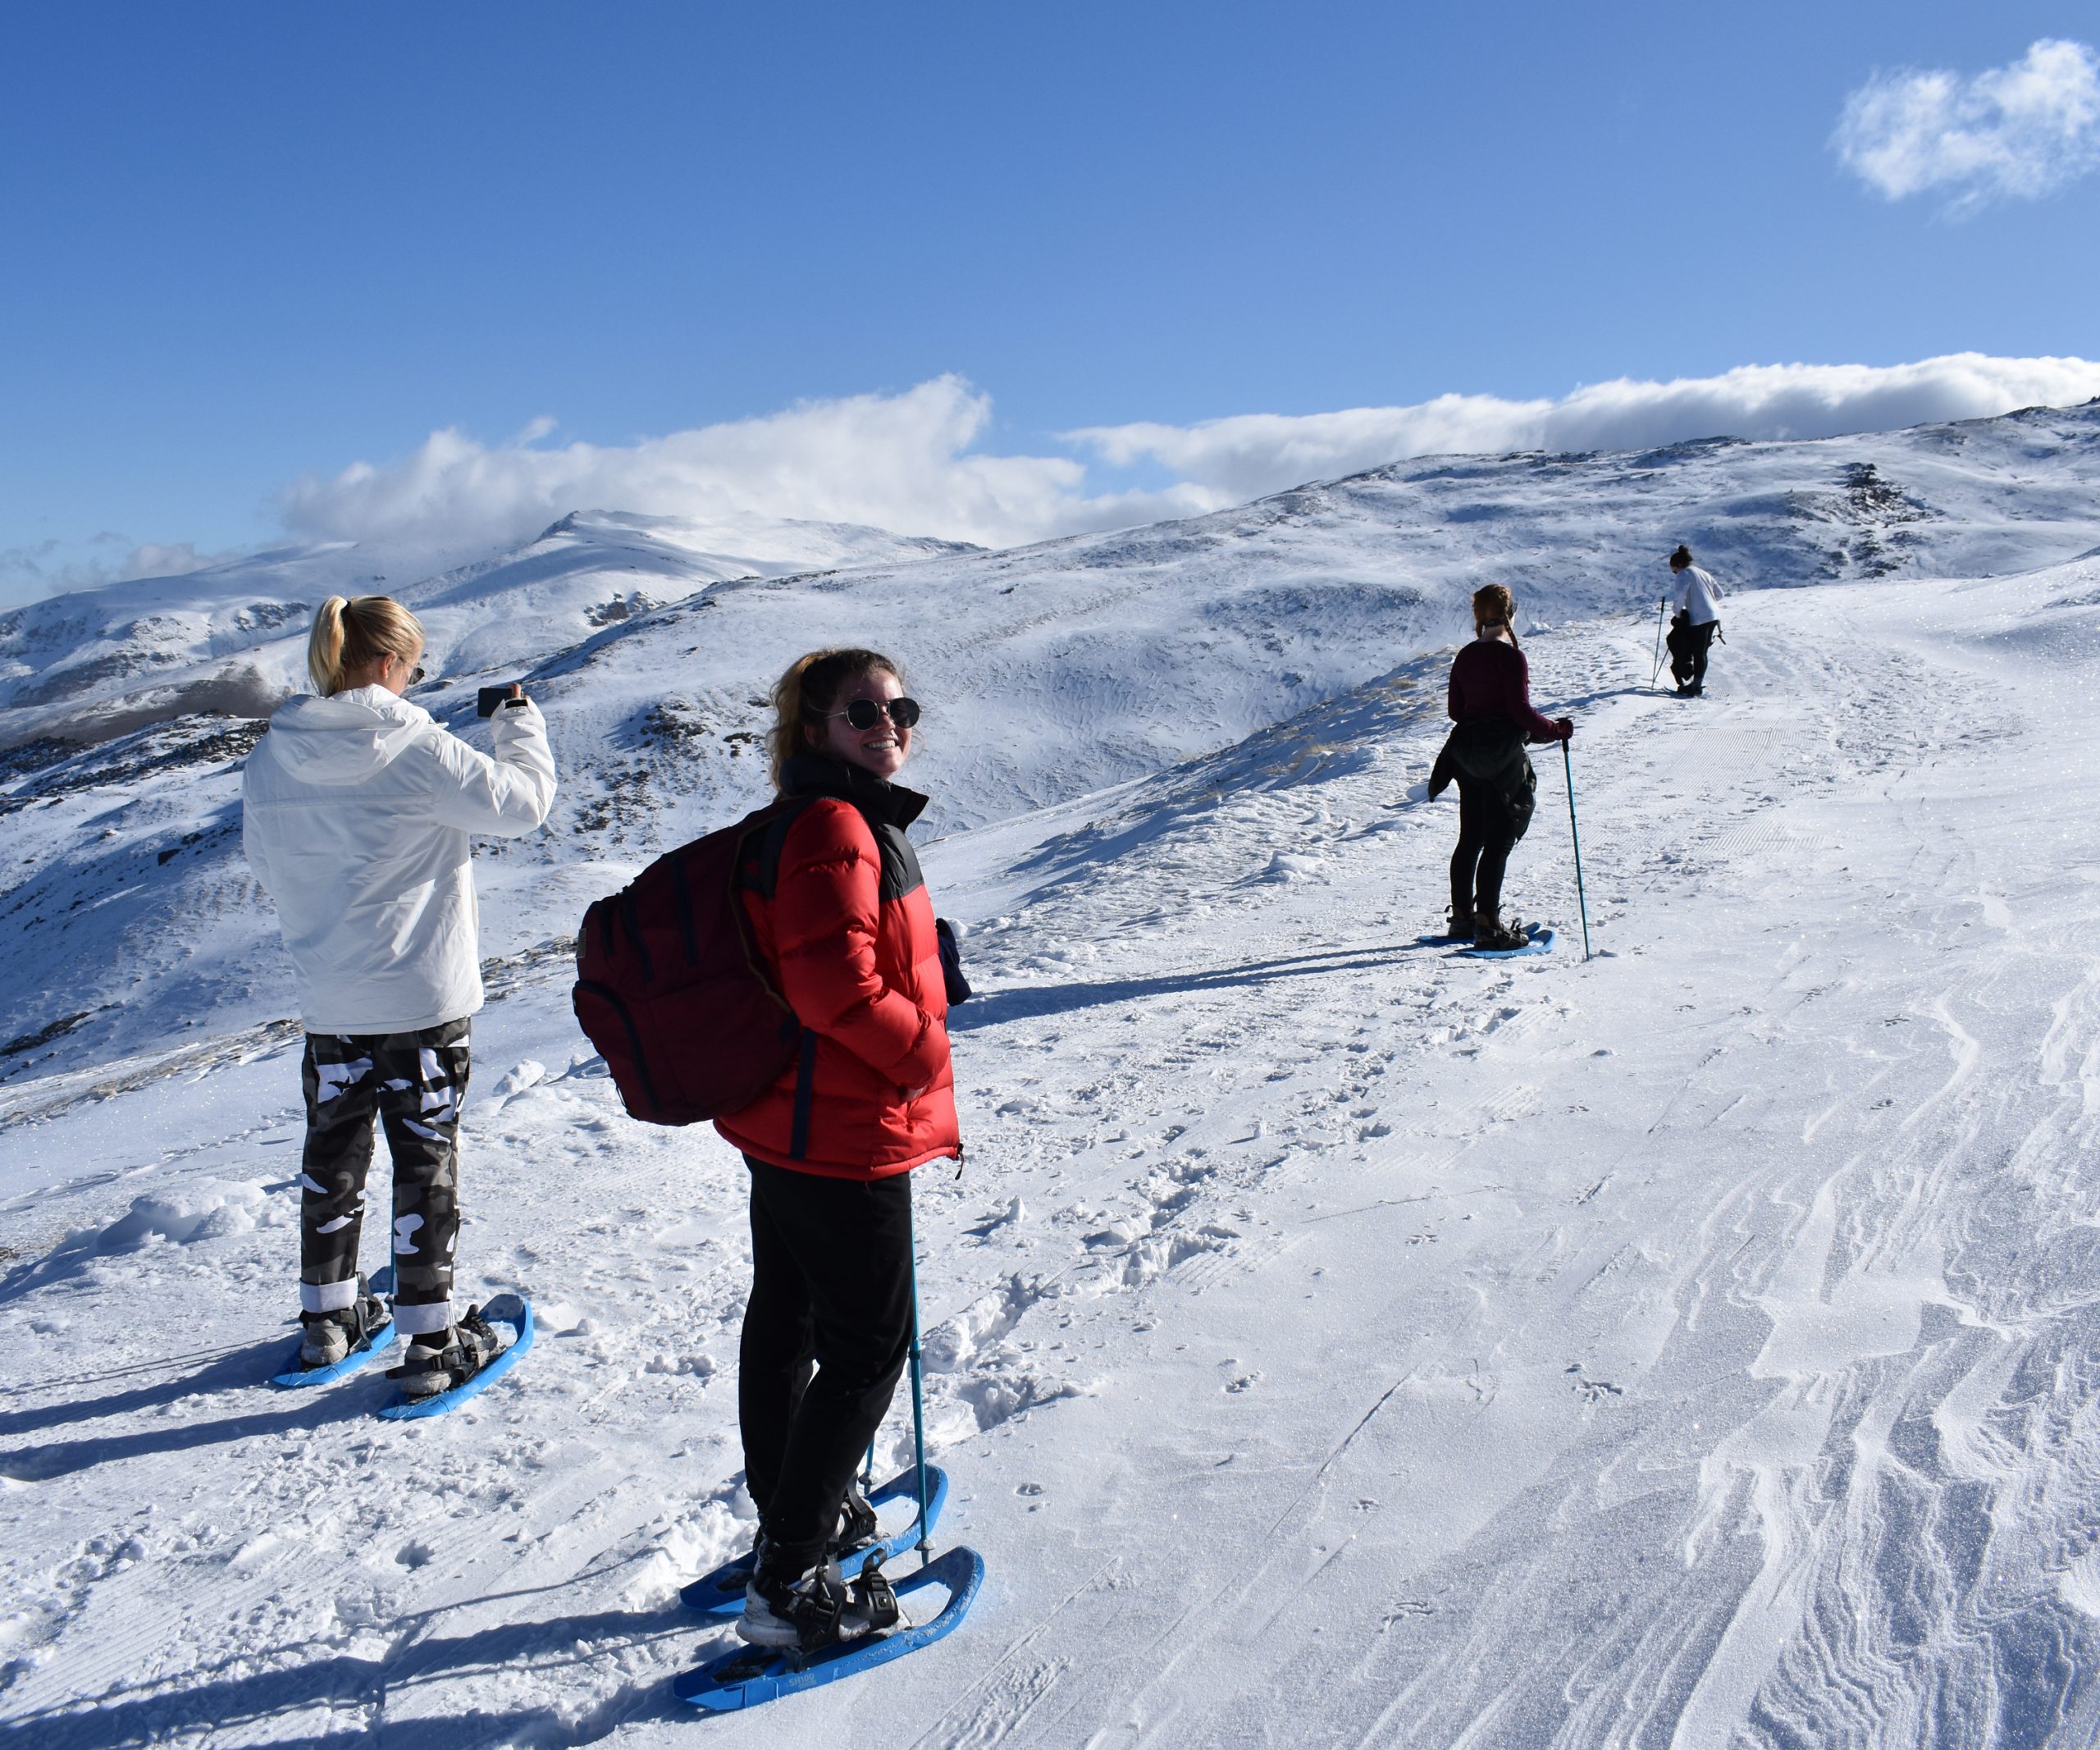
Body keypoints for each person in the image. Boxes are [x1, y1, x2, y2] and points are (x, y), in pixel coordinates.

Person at [241, 596, 555, 1400]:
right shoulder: (415, 747)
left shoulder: (272, 756)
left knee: (332, 1157)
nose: (414, 679)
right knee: (425, 1161)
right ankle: (430, 1346)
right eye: (412, 665)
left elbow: (266, 865)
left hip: (331, 998)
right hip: (419, 999)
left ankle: (327, 1323)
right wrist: (518, 720)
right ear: (388, 664)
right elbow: (523, 807)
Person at [715, 647, 960, 1651]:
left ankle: (795, 1514)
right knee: (865, 1347)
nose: (888, 722)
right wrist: (922, 1052)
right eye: (862, 709)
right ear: (813, 727)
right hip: (843, 1128)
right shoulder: (834, 827)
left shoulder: (824, 818)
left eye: (901, 706)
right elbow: (836, 992)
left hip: (788, 1121)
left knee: (789, 1316)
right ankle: (790, 1584)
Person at [1427, 585, 1572, 950]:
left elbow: (1456, 712)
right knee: (1500, 837)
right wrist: (1557, 730)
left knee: (1470, 837)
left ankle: (1461, 919)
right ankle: (1489, 925)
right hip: (1501, 759)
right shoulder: (1511, 658)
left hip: (1465, 753)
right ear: (1511, 614)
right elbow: (1520, 712)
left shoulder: (1465, 655)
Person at [1666, 544, 1724, 697]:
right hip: (1714, 616)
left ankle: (1695, 687)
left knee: (1698, 652)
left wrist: (1678, 614)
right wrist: (1707, 601)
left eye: (1674, 570)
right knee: (1702, 651)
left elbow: (1680, 596)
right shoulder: (1704, 573)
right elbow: (1720, 594)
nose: (1675, 573)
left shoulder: (1684, 574)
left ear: (1678, 565)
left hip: (1700, 617)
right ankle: (1696, 684)